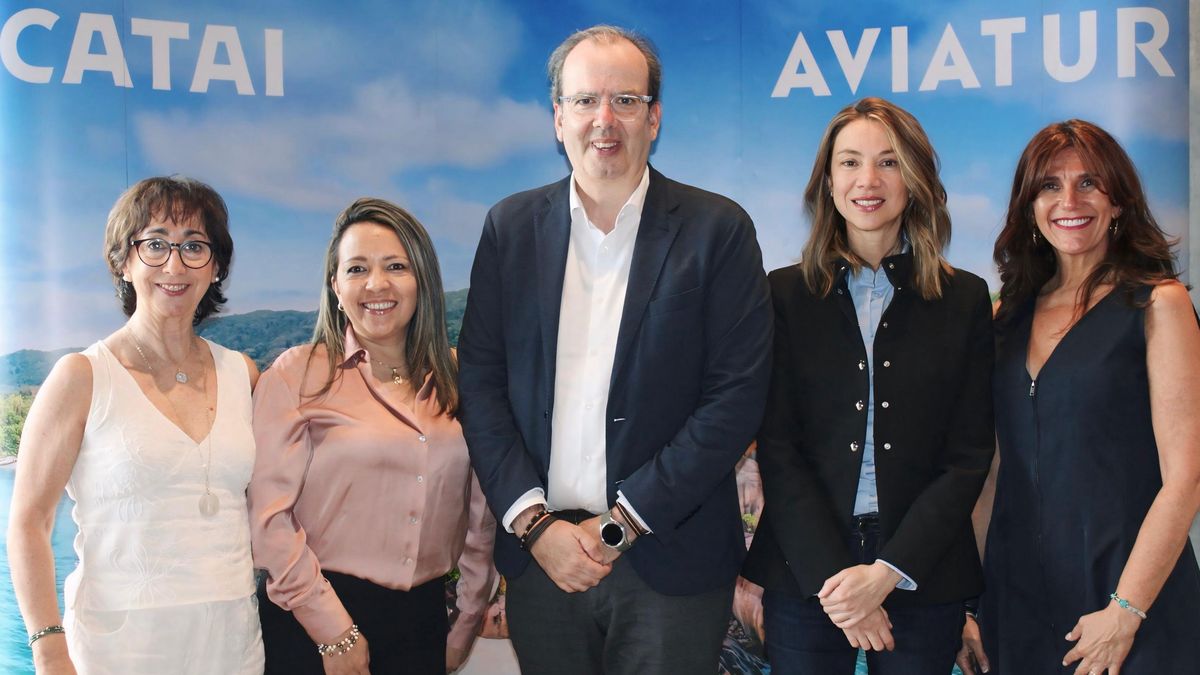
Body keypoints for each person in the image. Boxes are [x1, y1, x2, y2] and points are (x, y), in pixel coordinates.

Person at [456, 24, 773, 675]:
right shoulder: (509, 229)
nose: (605, 119)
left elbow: (735, 398)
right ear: (557, 117)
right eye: (585, 100)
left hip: (670, 562)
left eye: (625, 101)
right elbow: (481, 386)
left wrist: (620, 525)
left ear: (653, 117)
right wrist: (535, 526)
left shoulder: (718, 231)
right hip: (542, 561)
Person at [741, 97, 995, 674]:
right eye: (850, 162)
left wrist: (887, 574)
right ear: (827, 183)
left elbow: (967, 456)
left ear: (915, 180)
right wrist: (840, 586)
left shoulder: (964, 299)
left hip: (923, 571)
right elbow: (778, 448)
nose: (868, 180)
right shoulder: (782, 296)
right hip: (807, 572)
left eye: (889, 162)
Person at [962, 120, 1200, 675]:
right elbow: (992, 473)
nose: (1069, 200)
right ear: (1028, 206)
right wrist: (969, 605)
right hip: (1016, 605)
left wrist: (1126, 610)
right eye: (1049, 186)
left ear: (1118, 201)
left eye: (1089, 183)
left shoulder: (1158, 306)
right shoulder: (1004, 318)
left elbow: (1185, 478)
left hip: (1130, 606)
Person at [6, 176, 264, 674]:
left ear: (216, 268)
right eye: (155, 244)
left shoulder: (243, 374)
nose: (175, 263)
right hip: (117, 648)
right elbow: (28, 523)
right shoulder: (81, 377)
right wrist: (49, 649)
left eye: (194, 246)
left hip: (233, 641)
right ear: (124, 261)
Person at [248, 197, 496, 675]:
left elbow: (480, 520)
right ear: (335, 285)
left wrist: (465, 621)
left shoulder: (460, 378)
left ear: (421, 280)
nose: (376, 284)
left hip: (423, 624)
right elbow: (267, 520)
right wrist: (333, 631)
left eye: (396, 266)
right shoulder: (297, 374)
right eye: (357, 268)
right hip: (310, 623)